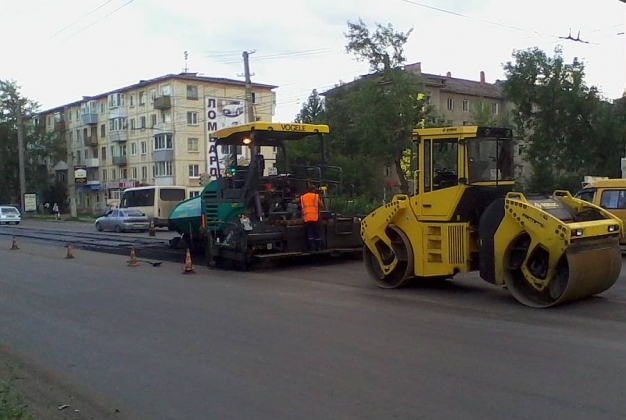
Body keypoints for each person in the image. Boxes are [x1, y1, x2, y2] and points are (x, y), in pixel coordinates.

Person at [300, 186, 323, 251]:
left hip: (306, 218)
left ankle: (311, 248)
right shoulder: (316, 196)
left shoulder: (303, 197)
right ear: (313, 190)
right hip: (315, 217)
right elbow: (321, 205)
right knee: (317, 233)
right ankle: (318, 248)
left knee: (310, 232)